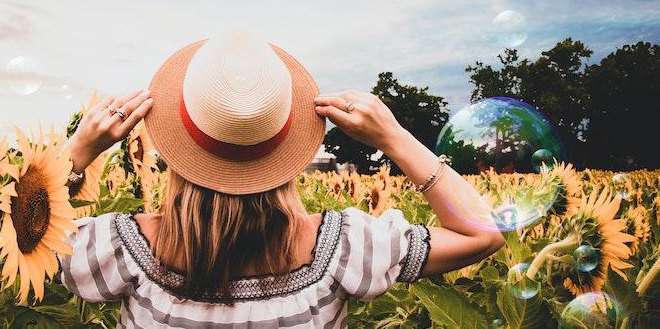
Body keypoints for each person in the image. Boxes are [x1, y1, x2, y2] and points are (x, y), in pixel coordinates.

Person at [60, 32, 505, 328]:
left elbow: (12, 234)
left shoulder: (117, 249)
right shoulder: (344, 248)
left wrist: (76, 153)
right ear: (287, 148)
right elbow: (482, 235)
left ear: (179, 148)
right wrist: (394, 137)